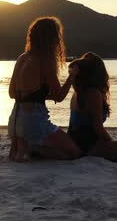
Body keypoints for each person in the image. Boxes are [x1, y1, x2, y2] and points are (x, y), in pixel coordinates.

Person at [8, 17, 81, 161]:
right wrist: (72, 76)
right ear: (52, 38)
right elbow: (59, 96)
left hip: (15, 121)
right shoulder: (45, 59)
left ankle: (27, 148)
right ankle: (32, 150)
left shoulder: (22, 58)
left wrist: (40, 95)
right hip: (33, 121)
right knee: (74, 153)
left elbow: (12, 93)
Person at [67, 52, 117, 161]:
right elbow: (98, 128)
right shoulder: (93, 94)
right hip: (86, 145)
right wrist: (110, 142)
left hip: (75, 140)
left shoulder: (78, 92)